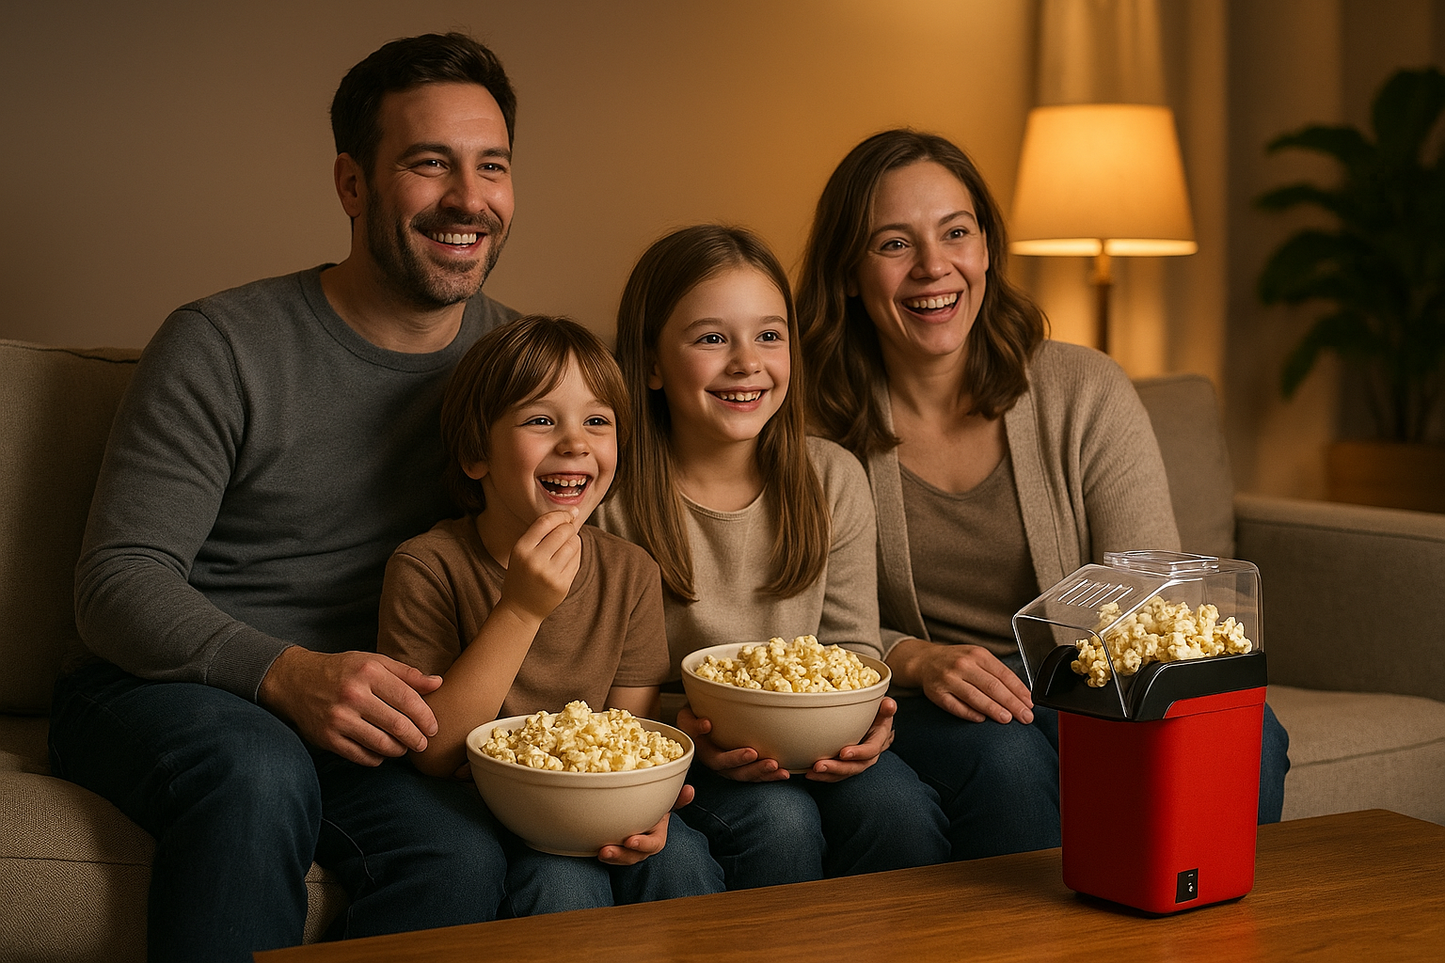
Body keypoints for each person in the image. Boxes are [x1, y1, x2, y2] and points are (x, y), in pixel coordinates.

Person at [49, 33, 524, 959]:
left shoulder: (522, 368)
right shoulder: (222, 342)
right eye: (429, 163)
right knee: (257, 769)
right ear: (352, 183)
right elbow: (116, 580)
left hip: (375, 719)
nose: (469, 199)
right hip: (169, 690)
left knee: (459, 854)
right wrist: (286, 672)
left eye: (493, 166)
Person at [794, 129, 1290, 860]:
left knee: (1251, 732)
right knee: (1007, 759)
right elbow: (815, 627)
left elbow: (1150, 587)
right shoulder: (808, 424)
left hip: (1081, 673)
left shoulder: (1083, 390)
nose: (933, 266)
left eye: (955, 233)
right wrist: (919, 658)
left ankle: (1206, 904)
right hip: (930, 692)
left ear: (987, 248)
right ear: (846, 271)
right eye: (893, 244)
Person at [593, 224, 949, 888]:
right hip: (681, 747)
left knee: (898, 809)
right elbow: (593, 690)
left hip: (818, 741)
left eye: (768, 335)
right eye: (710, 338)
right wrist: (684, 728)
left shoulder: (831, 477)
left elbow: (851, 648)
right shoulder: (608, 499)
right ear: (650, 363)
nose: (745, 363)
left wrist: (871, 722)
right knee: (779, 821)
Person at [375, 314, 724, 912]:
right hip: (479, 807)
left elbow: (633, 739)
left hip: (600, 808)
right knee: (561, 885)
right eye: (541, 420)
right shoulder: (427, 566)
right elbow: (434, 750)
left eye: (597, 421)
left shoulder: (631, 572)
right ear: (476, 453)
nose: (575, 443)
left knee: (682, 859)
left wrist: (646, 808)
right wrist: (521, 608)